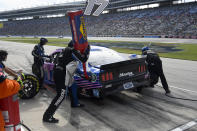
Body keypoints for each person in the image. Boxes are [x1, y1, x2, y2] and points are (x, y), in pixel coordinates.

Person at [43, 41, 90, 123]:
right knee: (61, 95)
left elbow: (70, 65)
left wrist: (82, 75)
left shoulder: (65, 50)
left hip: (61, 73)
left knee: (73, 85)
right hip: (62, 74)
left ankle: (74, 103)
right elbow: (83, 59)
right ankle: (47, 116)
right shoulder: (72, 50)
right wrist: (87, 50)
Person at [0, 50, 21, 131]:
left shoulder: (0, 63)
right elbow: (3, 83)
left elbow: (7, 69)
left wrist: (16, 74)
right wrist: (17, 84)